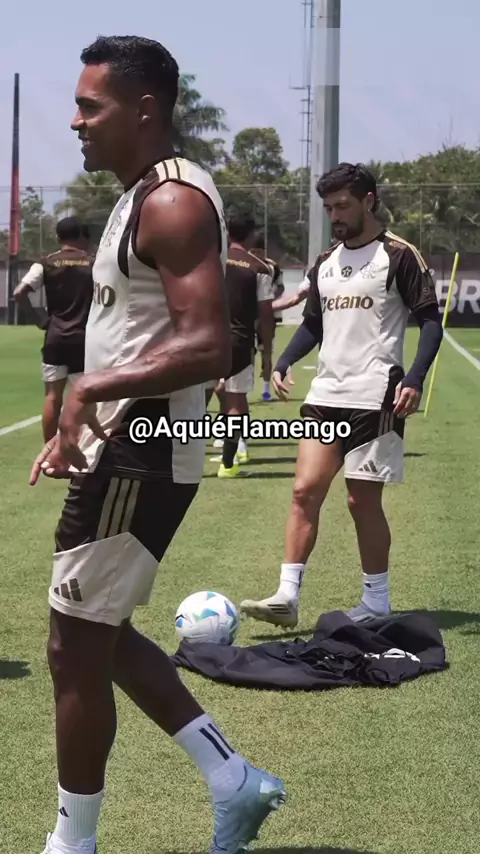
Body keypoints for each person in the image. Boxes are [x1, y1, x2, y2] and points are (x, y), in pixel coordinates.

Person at [29, 35, 285, 854]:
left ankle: (73, 843)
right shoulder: (140, 193)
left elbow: (210, 345)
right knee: (94, 632)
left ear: (144, 110)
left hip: (142, 454)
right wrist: (82, 418)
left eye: (89, 106)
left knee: (74, 644)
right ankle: (232, 778)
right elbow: (135, 332)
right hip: (120, 449)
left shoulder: (172, 201)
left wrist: (89, 391)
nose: (76, 121)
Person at [240, 162, 443, 628]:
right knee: (303, 490)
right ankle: (287, 596)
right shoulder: (325, 262)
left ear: (368, 201)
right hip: (325, 394)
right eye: (329, 207)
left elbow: (430, 321)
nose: (334, 215)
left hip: (377, 397)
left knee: (360, 501)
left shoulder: (399, 255)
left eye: (342, 206)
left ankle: (376, 602)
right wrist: (284, 362)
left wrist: (414, 378)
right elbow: (313, 323)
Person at [13, 217, 93, 441]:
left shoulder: (45, 263)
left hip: (55, 337)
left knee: (52, 397)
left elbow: (19, 293)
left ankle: (49, 449)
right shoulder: (93, 262)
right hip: (84, 338)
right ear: (81, 236)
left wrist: (41, 320)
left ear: (58, 237)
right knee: (83, 398)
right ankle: (79, 447)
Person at [216, 214, 274, 477]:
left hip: (207, 338)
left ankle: (182, 459)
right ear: (252, 235)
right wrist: (267, 353)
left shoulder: (213, 260)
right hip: (239, 342)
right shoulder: (259, 268)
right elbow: (266, 314)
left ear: (228, 234)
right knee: (236, 403)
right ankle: (228, 464)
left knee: (198, 399)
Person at [249, 232, 284, 401]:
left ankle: (266, 390)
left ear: (264, 251)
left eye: (259, 252)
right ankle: (244, 388)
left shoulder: (272, 267)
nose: (256, 255)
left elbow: (280, 287)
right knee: (249, 352)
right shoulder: (245, 264)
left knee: (267, 352)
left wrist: (268, 298)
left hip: (267, 316)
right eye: (253, 252)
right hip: (248, 315)